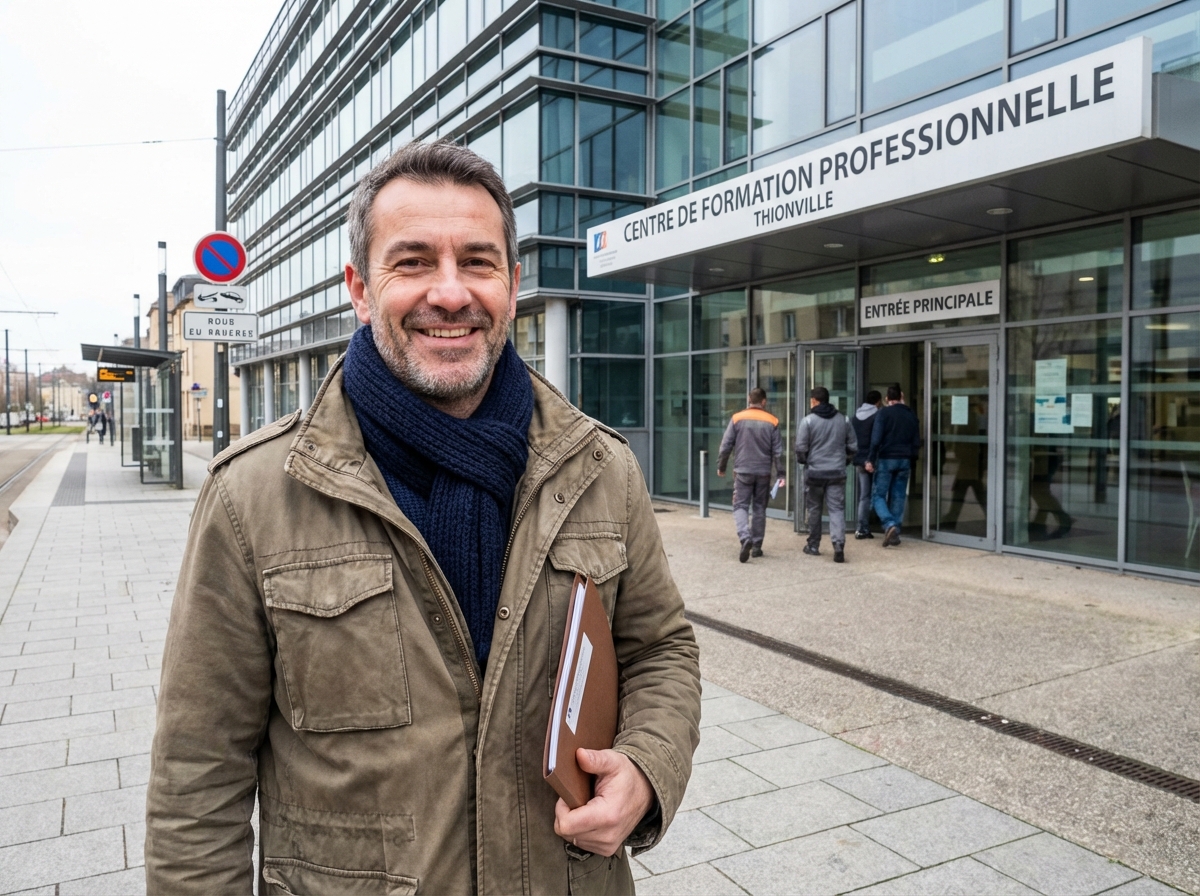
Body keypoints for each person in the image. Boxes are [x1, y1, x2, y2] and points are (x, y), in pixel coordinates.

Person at [145, 141, 702, 895]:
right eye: (411, 262)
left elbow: (662, 649)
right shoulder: (254, 494)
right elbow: (196, 778)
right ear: (360, 288)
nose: (449, 293)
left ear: (512, 283)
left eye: (477, 261)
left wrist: (646, 764)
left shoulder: (599, 467)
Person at [716, 387, 784, 563]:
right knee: (760, 508)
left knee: (740, 506)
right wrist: (781, 474)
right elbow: (778, 452)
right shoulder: (773, 421)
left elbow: (725, 446)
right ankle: (757, 546)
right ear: (764, 401)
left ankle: (745, 537)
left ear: (749, 399)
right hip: (763, 472)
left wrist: (721, 466)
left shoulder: (737, 418)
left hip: (743, 471)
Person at [795, 386, 857, 563]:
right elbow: (853, 447)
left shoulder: (808, 421)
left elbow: (800, 449)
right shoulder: (843, 420)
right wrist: (844, 461)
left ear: (814, 400)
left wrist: (805, 462)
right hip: (837, 472)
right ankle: (838, 545)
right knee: (836, 509)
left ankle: (813, 545)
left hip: (815, 473)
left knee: (814, 508)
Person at [865, 384, 922, 547]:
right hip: (905, 459)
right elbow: (916, 441)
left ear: (887, 399)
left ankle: (889, 524)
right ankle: (895, 532)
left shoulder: (883, 413)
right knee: (899, 496)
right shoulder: (911, 414)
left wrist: (870, 458)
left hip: (886, 458)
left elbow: (875, 439)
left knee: (878, 495)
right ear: (902, 397)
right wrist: (913, 458)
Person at [851, 390, 883, 539]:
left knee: (864, 496)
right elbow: (876, 439)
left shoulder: (855, 417)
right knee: (878, 493)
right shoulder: (877, 416)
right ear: (878, 401)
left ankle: (861, 527)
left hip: (859, 459)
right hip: (873, 459)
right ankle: (883, 523)